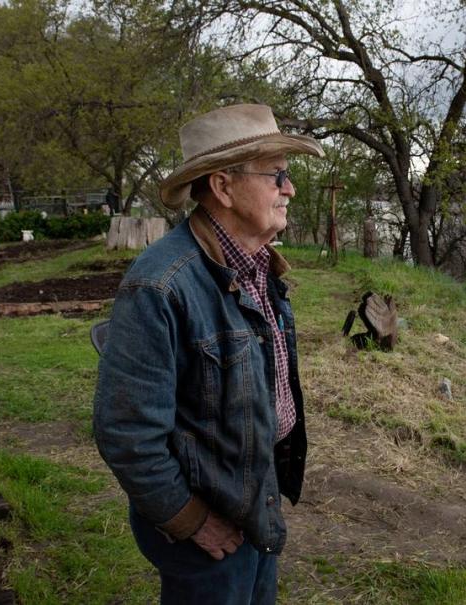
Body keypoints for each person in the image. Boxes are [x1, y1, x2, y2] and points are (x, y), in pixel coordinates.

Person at [93, 104, 323, 604]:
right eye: (277, 175)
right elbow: (126, 433)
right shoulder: (159, 285)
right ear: (222, 187)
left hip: (253, 504)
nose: (290, 189)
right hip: (208, 535)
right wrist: (192, 521)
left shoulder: (259, 264)